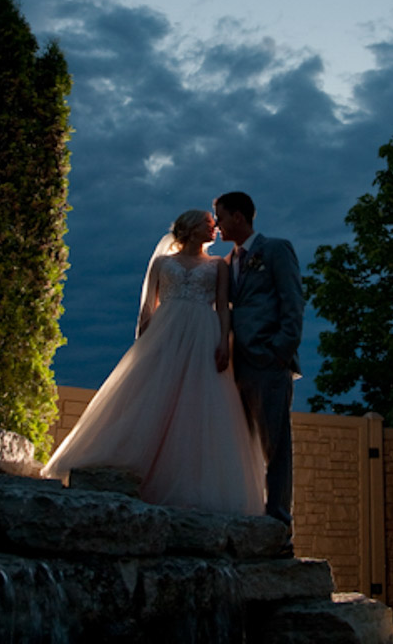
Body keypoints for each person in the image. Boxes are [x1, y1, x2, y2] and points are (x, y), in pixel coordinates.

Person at [42, 209, 264, 515]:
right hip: (165, 332)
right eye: (207, 224)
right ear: (189, 228)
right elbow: (148, 307)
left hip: (203, 333)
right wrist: (142, 345)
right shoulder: (162, 263)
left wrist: (223, 341)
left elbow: (224, 307)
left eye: (214, 225)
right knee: (151, 397)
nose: (213, 229)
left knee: (197, 404)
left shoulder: (218, 266)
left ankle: (189, 482)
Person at [214, 191, 303, 532]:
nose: (218, 225)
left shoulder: (276, 249)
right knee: (241, 442)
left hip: (269, 362)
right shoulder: (226, 263)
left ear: (239, 217)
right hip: (236, 366)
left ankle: (278, 522)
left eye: (221, 217)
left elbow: (292, 303)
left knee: (276, 445)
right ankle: (248, 509)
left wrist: (279, 350)